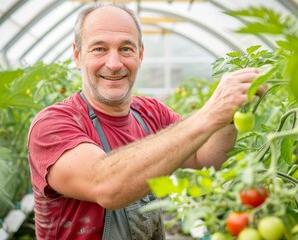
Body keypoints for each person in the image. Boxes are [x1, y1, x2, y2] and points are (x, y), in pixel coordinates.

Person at [27, 3, 263, 240]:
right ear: (77, 56)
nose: (114, 63)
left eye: (126, 49)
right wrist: (210, 113)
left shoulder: (151, 112)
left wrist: (232, 113)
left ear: (140, 54)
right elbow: (107, 185)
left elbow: (205, 160)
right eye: (99, 49)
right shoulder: (52, 125)